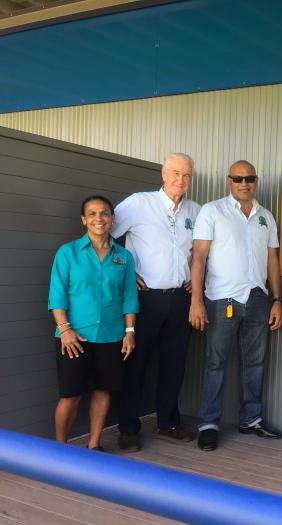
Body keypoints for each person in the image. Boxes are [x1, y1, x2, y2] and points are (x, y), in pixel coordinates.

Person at [189, 160, 282, 452]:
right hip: (221, 300)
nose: (245, 183)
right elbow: (199, 258)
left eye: (250, 178)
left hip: (257, 298)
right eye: (239, 178)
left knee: (255, 362)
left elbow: (272, 261)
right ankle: (208, 424)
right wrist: (196, 301)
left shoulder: (265, 216)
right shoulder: (212, 211)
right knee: (216, 363)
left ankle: (251, 419)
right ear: (229, 180)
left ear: (256, 181)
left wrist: (277, 300)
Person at [111, 153, 201, 452]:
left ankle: (168, 422)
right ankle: (128, 428)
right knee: (135, 364)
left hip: (181, 299)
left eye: (187, 175)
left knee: (174, 364)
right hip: (145, 299)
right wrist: (127, 271)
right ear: (163, 173)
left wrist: (196, 280)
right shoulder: (139, 203)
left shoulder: (196, 211)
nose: (181, 179)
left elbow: (203, 254)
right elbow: (105, 236)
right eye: (175, 173)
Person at [48, 195, 138, 451]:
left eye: (104, 213)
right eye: (92, 213)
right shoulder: (68, 253)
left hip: (112, 336)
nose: (99, 218)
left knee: (103, 391)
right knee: (70, 396)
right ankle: (60, 449)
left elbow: (129, 298)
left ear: (112, 219)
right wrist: (64, 330)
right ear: (83, 219)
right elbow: (57, 295)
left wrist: (129, 331)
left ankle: (94, 445)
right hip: (75, 338)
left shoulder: (124, 257)